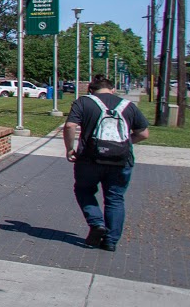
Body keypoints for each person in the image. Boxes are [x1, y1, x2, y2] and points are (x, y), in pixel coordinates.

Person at [63, 73, 151, 252]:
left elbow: (70, 126)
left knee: (83, 190)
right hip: (121, 160)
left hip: (89, 159)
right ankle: (110, 241)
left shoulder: (83, 102)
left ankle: (96, 223)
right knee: (115, 198)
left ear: (91, 90)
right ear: (112, 89)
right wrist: (124, 143)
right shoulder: (128, 105)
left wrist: (70, 148)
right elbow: (144, 133)